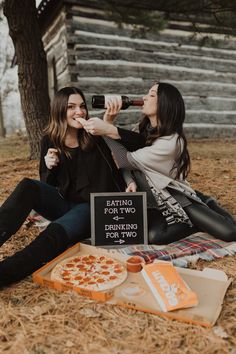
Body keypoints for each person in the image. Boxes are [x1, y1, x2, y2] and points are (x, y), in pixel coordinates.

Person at [78, 82, 236, 244]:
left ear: (165, 104)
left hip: (177, 196)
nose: (144, 97)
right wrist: (130, 180)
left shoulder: (172, 142)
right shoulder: (140, 130)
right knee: (155, 236)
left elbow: (125, 159)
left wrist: (106, 129)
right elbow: (126, 166)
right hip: (153, 199)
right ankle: (193, 222)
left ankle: (206, 203)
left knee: (230, 232)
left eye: (152, 95)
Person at [0, 86, 127, 287]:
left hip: (91, 208)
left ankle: (6, 273)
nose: (79, 112)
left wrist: (108, 125)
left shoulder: (95, 135)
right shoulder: (49, 140)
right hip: (63, 203)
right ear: (60, 110)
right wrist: (50, 167)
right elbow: (46, 187)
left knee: (53, 233)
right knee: (27, 186)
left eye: (82, 106)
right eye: (71, 107)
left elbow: (122, 159)